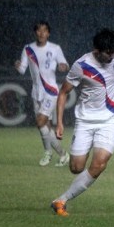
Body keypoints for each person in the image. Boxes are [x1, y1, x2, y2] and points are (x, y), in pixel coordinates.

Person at [51, 28, 114, 216]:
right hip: (85, 121)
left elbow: (113, 76)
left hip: (109, 118)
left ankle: (61, 200)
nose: (111, 56)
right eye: (106, 53)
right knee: (76, 168)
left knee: (100, 163)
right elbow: (63, 93)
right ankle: (69, 187)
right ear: (96, 49)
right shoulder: (81, 66)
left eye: (113, 52)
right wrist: (59, 122)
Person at [15, 21, 70, 167]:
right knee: (46, 126)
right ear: (35, 33)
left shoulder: (55, 48)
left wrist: (63, 66)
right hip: (36, 91)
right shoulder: (28, 49)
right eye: (39, 31)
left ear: (48, 33)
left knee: (40, 122)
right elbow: (22, 70)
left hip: (50, 91)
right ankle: (63, 154)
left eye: (44, 30)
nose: (41, 33)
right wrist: (18, 66)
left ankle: (48, 152)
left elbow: (64, 64)